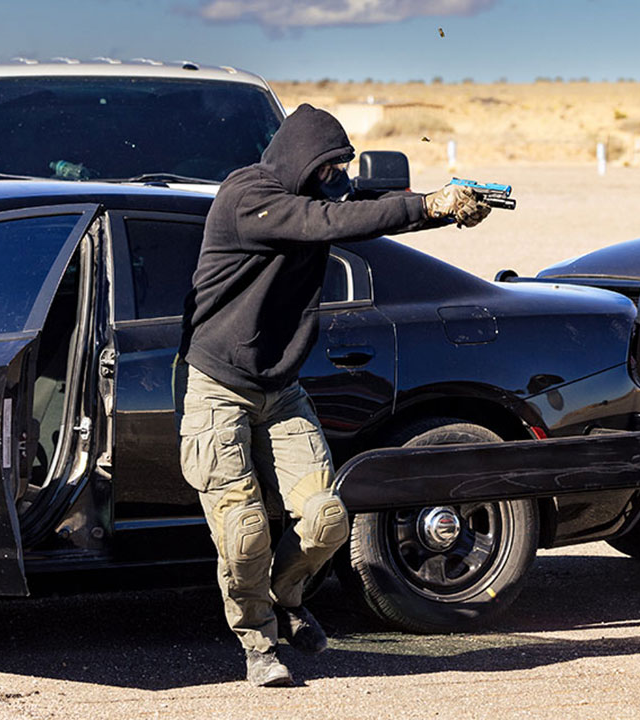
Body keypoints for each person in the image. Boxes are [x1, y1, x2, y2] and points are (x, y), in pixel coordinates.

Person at [174, 103, 491, 687]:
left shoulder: (307, 197)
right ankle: (257, 641)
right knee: (243, 533)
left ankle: (286, 598)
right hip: (219, 389)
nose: (339, 181)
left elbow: (359, 212)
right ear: (302, 162)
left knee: (326, 519)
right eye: (330, 169)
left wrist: (442, 209)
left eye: (343, 169)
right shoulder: (248, 198)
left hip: (281, 388)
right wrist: (428, 204)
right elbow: (329, 222)